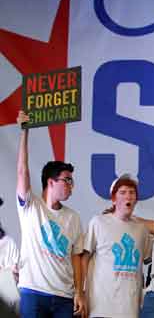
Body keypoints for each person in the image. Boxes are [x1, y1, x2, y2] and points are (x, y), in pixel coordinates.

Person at [15, 111, 85, 318]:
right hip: (33, 292)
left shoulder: (73, 217)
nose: (71, 186)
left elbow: (76, 257)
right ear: (51, 182)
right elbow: (22, 172)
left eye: (72, 181)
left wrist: (79, 292)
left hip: (63, 296)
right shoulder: (31, 205)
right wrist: (24, 132)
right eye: (67, 180)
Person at [81, 173, 151, 318]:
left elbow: (149, 258)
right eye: (123, 192)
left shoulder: (142, 229)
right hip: (101, 308)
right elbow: (84, 258)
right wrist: (81, 292)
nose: (128, 196)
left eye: (132, 193)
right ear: (113, 199)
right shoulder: (98, 222)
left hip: (130, 310)